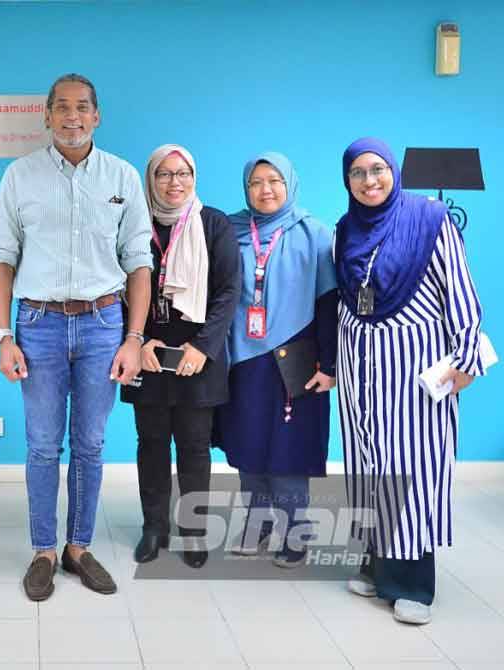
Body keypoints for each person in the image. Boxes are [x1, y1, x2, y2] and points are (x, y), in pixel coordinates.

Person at [0, 73, 151, 601]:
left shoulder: (123, 177)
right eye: (62, 107)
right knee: (41, 445)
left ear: (97, 115)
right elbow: (1, 261)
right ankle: (43, 549)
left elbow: (139, 265)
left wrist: (133, 339)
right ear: (47, 116)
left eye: (83, 107)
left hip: (105, 326)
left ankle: (78, 547)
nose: (72, 116)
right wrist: (3, 335)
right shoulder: (20, 176)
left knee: (91, 443)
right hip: (37, 326)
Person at [336, 138, 485, 625]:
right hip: (361, 370)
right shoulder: (345, 230)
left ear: (393, 171)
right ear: (347, 180)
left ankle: (413, 585)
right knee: (368, 466)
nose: (369, 180)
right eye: (357, 173)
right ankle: (376, 567)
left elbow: (459, 290)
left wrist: (464, 357)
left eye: (377, 169)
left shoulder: (430, 219)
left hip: (413, 372)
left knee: (413, 469)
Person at [215, 152, 338, 568]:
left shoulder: (314, 234)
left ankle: (296, 531)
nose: (265, 190)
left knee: (289, 450)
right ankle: (257, 524)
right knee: (247, 445)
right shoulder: (228, 231)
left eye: (274, 181)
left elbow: (328, 303)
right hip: (241, 357)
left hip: (296, 357)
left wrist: (330, 365)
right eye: (255, 182)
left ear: (289, 183)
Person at [121, 145, 241, 568]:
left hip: (197, 357)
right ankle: (154, 528)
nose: (175, 182)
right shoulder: (134, 225)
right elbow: (117, 286)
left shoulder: (214, 224)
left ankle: (193, 532)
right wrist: (137, 341)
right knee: (151, 444)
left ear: (194, 177)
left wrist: (203, 347)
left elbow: (229, 292)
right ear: (150, 179)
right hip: (148, 353)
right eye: (164, 174)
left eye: (183, 173)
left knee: (193, 447)